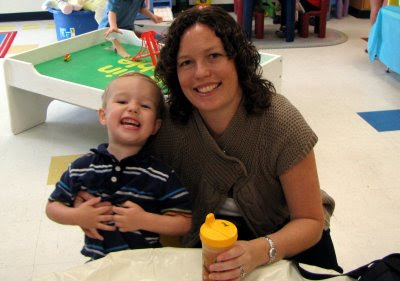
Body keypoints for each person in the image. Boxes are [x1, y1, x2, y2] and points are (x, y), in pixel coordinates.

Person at [78, 6, 342, 279]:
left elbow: (309, 221)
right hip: (202, 241)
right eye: (186, 63)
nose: (200, 73)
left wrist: (261, 250)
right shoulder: (164, 122)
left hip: (287, 240)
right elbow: (120, 163)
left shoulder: (281, 122)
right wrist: (89, 196)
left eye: (213, 56)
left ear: (236, 60)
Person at [46, 72, 192, 260]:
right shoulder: (81, 167)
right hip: (99, 265)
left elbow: (184, 223)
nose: (132, 108)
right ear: (103, 115)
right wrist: (78, 216)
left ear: (156, 126)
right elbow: (52, 207)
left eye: (145, 105)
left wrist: (144, 220)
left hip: (145, 267)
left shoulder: (161, 175)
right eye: (122, 101)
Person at [98, 0, 163, 37]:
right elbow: (112, 12)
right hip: (110, 29)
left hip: (128, 28)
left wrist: (153, 16)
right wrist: (113, 26)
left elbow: (142, 8)